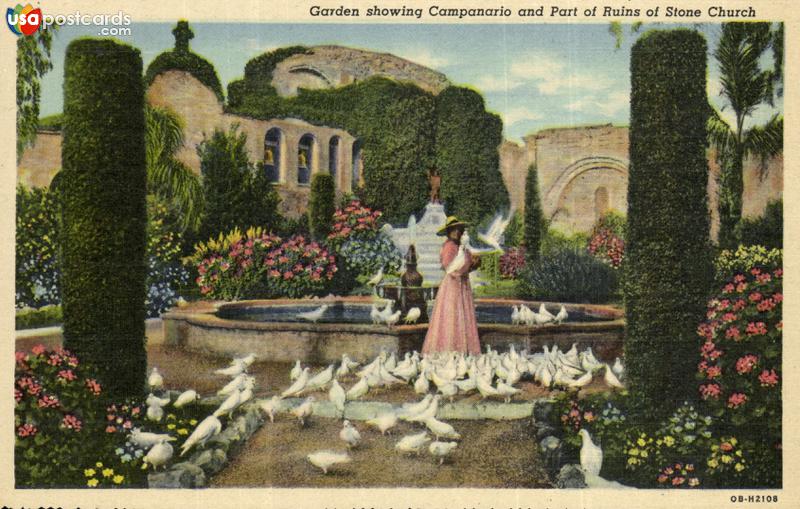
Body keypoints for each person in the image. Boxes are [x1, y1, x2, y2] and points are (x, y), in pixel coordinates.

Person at [421, 216, 481, 355]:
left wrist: (474, 263)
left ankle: (463, 349)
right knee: (451, 315)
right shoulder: (449, 246)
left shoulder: (461, 247)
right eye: (453, 230)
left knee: (462, 314)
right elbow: (450, 268)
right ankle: (449, 349)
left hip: (462, 284)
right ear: (449, 232)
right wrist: (468, 265)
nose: (457, 233)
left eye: (458, 230)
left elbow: (466, 264)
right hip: (452, 286)